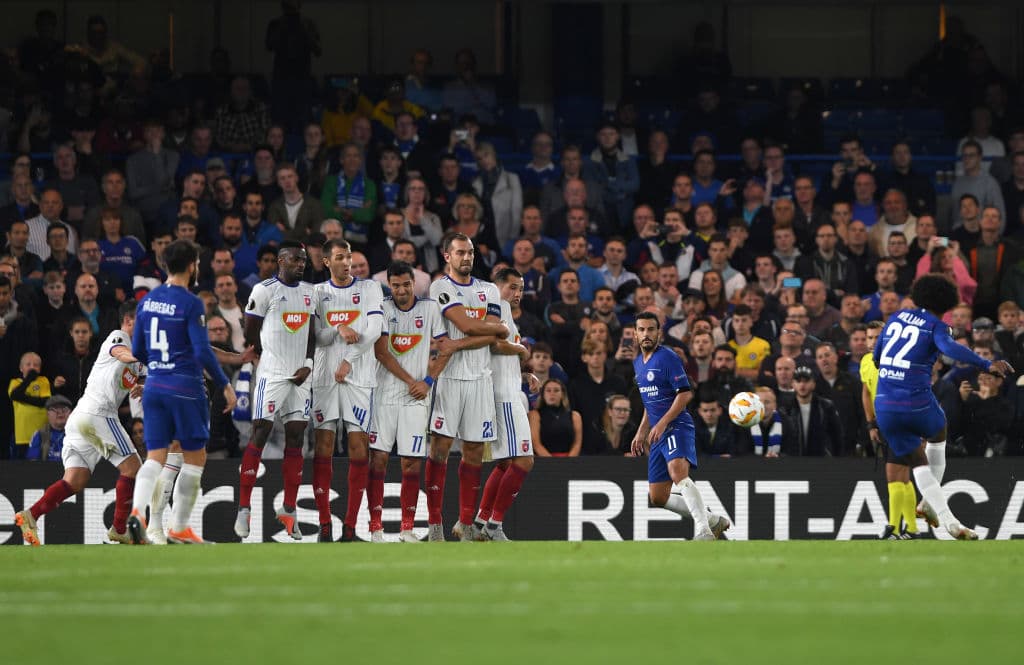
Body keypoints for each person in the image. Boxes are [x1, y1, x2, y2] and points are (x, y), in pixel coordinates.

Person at [873, 274, 1014, 540]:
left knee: (917, 462)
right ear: (947, 302)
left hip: (885, 405)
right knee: (938, 434)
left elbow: (878, 357)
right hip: (916, 400)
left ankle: (940, 514)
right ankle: (935, 510)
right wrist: (987, 364)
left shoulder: (894, 319)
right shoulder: (936, 325)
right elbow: (949, 347)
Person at [125, 243, 236, 545]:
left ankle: (137, 513)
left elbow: (136, 351)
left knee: (155, 456)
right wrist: (225, 384)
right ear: (192, 266)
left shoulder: (146, 302)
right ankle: (180, 527)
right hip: (186, 388)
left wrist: (160, 368)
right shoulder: (190, 303)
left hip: (154, 387)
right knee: (195, 456)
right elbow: (201, 351)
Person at [15, 303, 145, 546]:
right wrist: (139, 357)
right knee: (132, 467)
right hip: (98, 413)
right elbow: (121, 354)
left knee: (75, 480)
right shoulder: (120, 337)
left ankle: (30, 515)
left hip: (82, 417)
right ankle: (119, 528)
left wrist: (144, 385)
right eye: (143, 318)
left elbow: (145, 376)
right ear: (129, 319)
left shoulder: (139, 358)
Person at [426, 232, 509, 541]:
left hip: (480, 379)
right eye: (460, 252)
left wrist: (456, 345)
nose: (467, 258)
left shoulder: (488, 289)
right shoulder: (440, 286)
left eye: (470, 252)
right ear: (447, 255)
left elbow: (493, 334)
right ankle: (435, 524)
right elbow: (471, 324)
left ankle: (464, 523)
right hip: (447, 379)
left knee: (474, 451)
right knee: (440, 450)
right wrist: (491, 329)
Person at [234, 242, 315, 541]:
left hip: (300, 376)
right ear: (281, 261)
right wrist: (263, 358)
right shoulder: (264, 290)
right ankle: (244, 508)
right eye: (296, 259)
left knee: (297, 437)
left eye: (304, 260)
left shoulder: (310, 293)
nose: (301, 264)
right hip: (272, 374)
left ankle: (289, 509)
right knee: (260, 432)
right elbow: (249, 330)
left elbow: (311, 333)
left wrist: (307, 364)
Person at [309, 239, 385, 542]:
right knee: (323, 447)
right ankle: (325, 524)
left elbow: (373, 331)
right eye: (340, 257)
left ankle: (351, 526)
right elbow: (315, 336)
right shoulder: (316, 293)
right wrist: (338, 329)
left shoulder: (369, 289)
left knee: (358, 448)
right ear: (326, 261)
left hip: (358, 378)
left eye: (349, 257)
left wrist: (349, 363)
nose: (347, 262)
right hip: (325, 378)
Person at [367, 261, 448, 543]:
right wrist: (410, 380)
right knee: (377, 458)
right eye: (396, 285)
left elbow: (445, 348)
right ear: (389, 285)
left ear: (415, 283)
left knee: (411, 462)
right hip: (385, 396)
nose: (401, 290)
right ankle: (376, 527)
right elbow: (382, 353)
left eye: (406, 284)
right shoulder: (383, 308)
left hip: (417, 398)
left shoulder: (430, 309)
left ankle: (406, 528)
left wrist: (428, 381)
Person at [630, 312, 730, 540]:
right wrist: (641, 431)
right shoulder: (638, 364)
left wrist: (663, 422)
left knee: (678, 473)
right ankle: (713, 520)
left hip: (676, 425)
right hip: (657, 432)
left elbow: (685, 394)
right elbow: (650, 402)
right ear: (635, 334)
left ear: (659, 333)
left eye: (651, 329)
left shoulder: (667, 357)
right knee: (657, 497)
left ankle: (704, 530)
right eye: (642, 330)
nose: (646, 334)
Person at [457, 268, 537, 541]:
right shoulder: (496, 306)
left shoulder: (504, 311)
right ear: (497, 286)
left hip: (506, 390)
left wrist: (523, 373)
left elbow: (498, 355)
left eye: (521, 288)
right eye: (512, 287)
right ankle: (494, 525)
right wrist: (520, 350)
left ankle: (481, 522)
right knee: (524, 461)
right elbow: (493, 344)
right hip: (502, 397)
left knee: (505, 463)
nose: (517, 294)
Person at [861, 321, 916, 539]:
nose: (873, 342)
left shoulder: (900, 362)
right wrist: (871, 423)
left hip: (901, 422)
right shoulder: (866, 361)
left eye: (877, 337)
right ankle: (911, 528)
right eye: (870, 338)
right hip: (884, 423)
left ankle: (894, 526)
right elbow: (866, 392)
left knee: (893, 474)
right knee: (903, 477)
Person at [7, 351, 51, 459]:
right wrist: (28, 379)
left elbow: (44, 402)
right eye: (28, 364)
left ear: (40, 369)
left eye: (36, 365)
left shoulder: (43, 381)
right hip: (23, 435)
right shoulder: (15, 382)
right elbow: (15, 395)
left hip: (42, 435)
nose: (32, 367)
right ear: (21, 368)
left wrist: (23, 398)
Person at [528, 379, 582, 457]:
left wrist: (569, 463)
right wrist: (554, 464)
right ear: (543, 394)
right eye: (548, 390)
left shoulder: (575, 416)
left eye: (556, 390)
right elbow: (536, 444)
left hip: (569, 462)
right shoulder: (534, 415)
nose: (552, 394)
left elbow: (577, 444)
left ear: (562, 394)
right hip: (544, 461)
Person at [26, 395, 71, 462]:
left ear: (71, 413)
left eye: (64, 409)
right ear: (48, 414)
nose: (60, 412)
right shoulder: (40, 434)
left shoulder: (79, 434)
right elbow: (33, 463)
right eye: (55, 409)